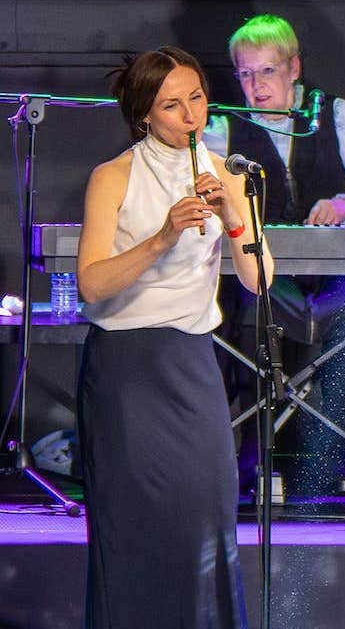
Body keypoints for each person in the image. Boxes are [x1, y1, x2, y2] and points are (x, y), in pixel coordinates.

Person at [75, 46, 272, 628]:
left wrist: (233, 216)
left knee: (205, 516)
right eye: (171, 105)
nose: (190, 115)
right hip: (127, 370)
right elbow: (91, 283)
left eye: (197, 98)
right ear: (143, 115)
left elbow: (259, 278)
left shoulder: (225, 172)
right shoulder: (112, 177)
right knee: (134, 526)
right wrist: (162, 237)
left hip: (191, 364)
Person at [204, 14, 345, 497]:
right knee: (251, 310)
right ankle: (259, 455)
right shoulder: (225, 127)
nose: (255, 85)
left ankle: (325, 457)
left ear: (294, 68)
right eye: (245, 74)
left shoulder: (332, 114)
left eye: (266, 72)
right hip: (263, 271)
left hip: (336, 269)